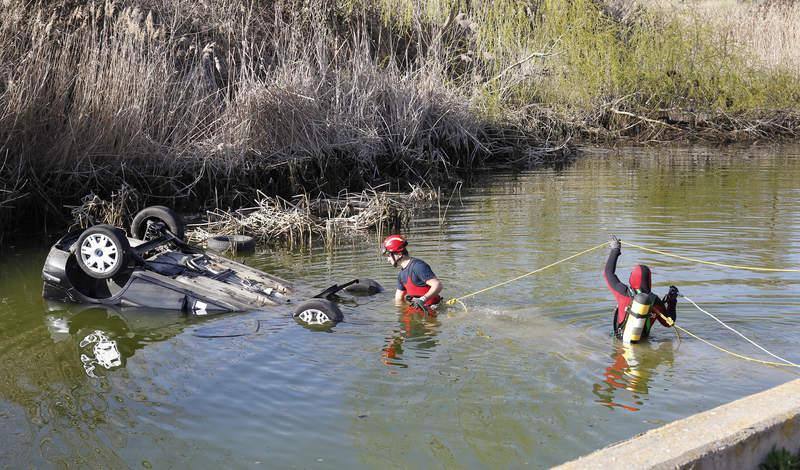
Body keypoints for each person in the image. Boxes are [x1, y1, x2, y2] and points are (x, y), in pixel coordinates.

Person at [604, 235, 678, 341]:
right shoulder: (655, 300)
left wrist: (615, 249)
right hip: (643, 340)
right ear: (649, 280)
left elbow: (608, 273)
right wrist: (672, 300)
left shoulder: (623, 292)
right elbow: (669, 323)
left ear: (632, 278)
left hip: (621, 343)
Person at [382, 234, 443, 311]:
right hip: (417, 309)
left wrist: (423, 299)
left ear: (399, 254)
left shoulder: (418, 266)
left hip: (432, 309)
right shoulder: (401, 275)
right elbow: (398, 299)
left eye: (389, 256)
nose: (388, 260)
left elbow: (438, 285)